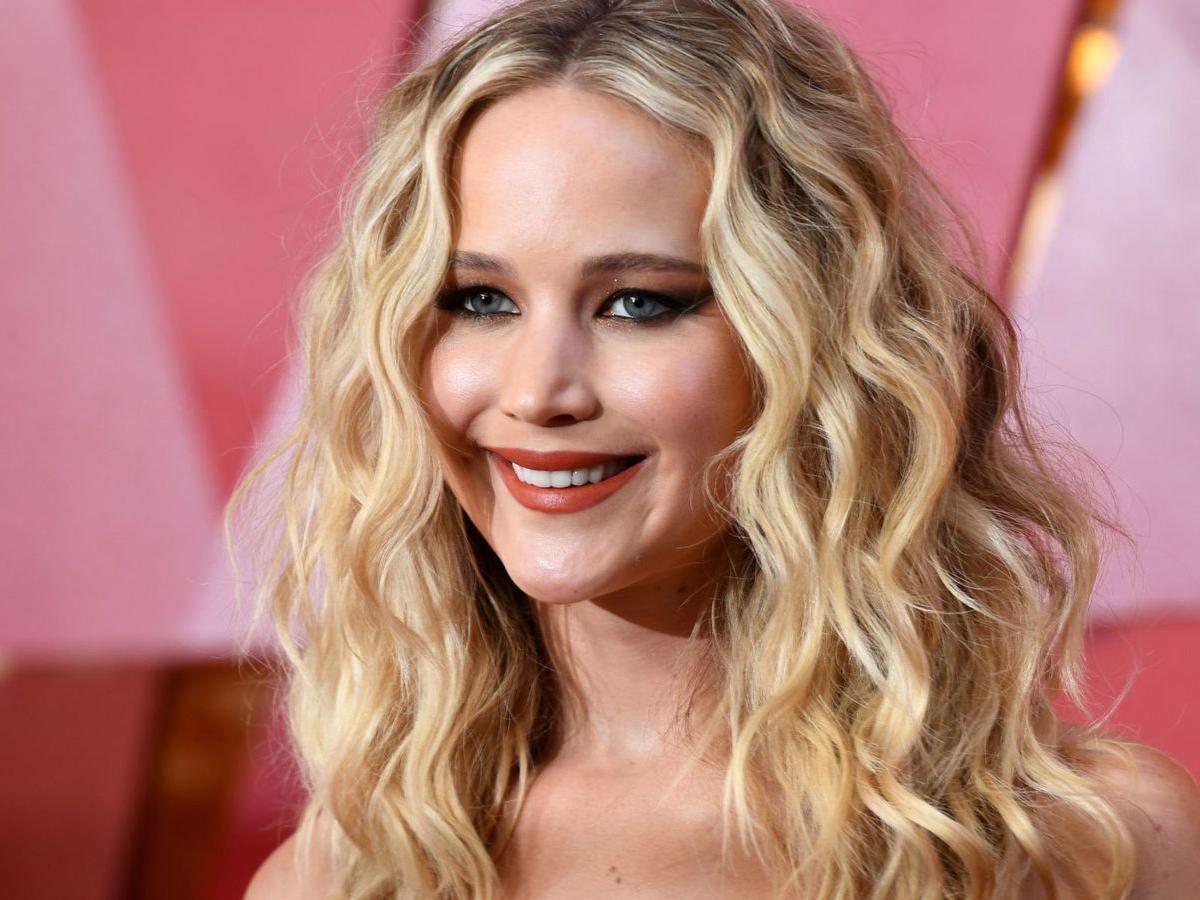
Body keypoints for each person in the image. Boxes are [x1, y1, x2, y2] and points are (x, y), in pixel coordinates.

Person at [231, 0, 1200, 897]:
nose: (535, 393)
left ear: (810, 338)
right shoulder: (346, 873)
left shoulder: (1093, 843)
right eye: (480, 300)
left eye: (638, 303)